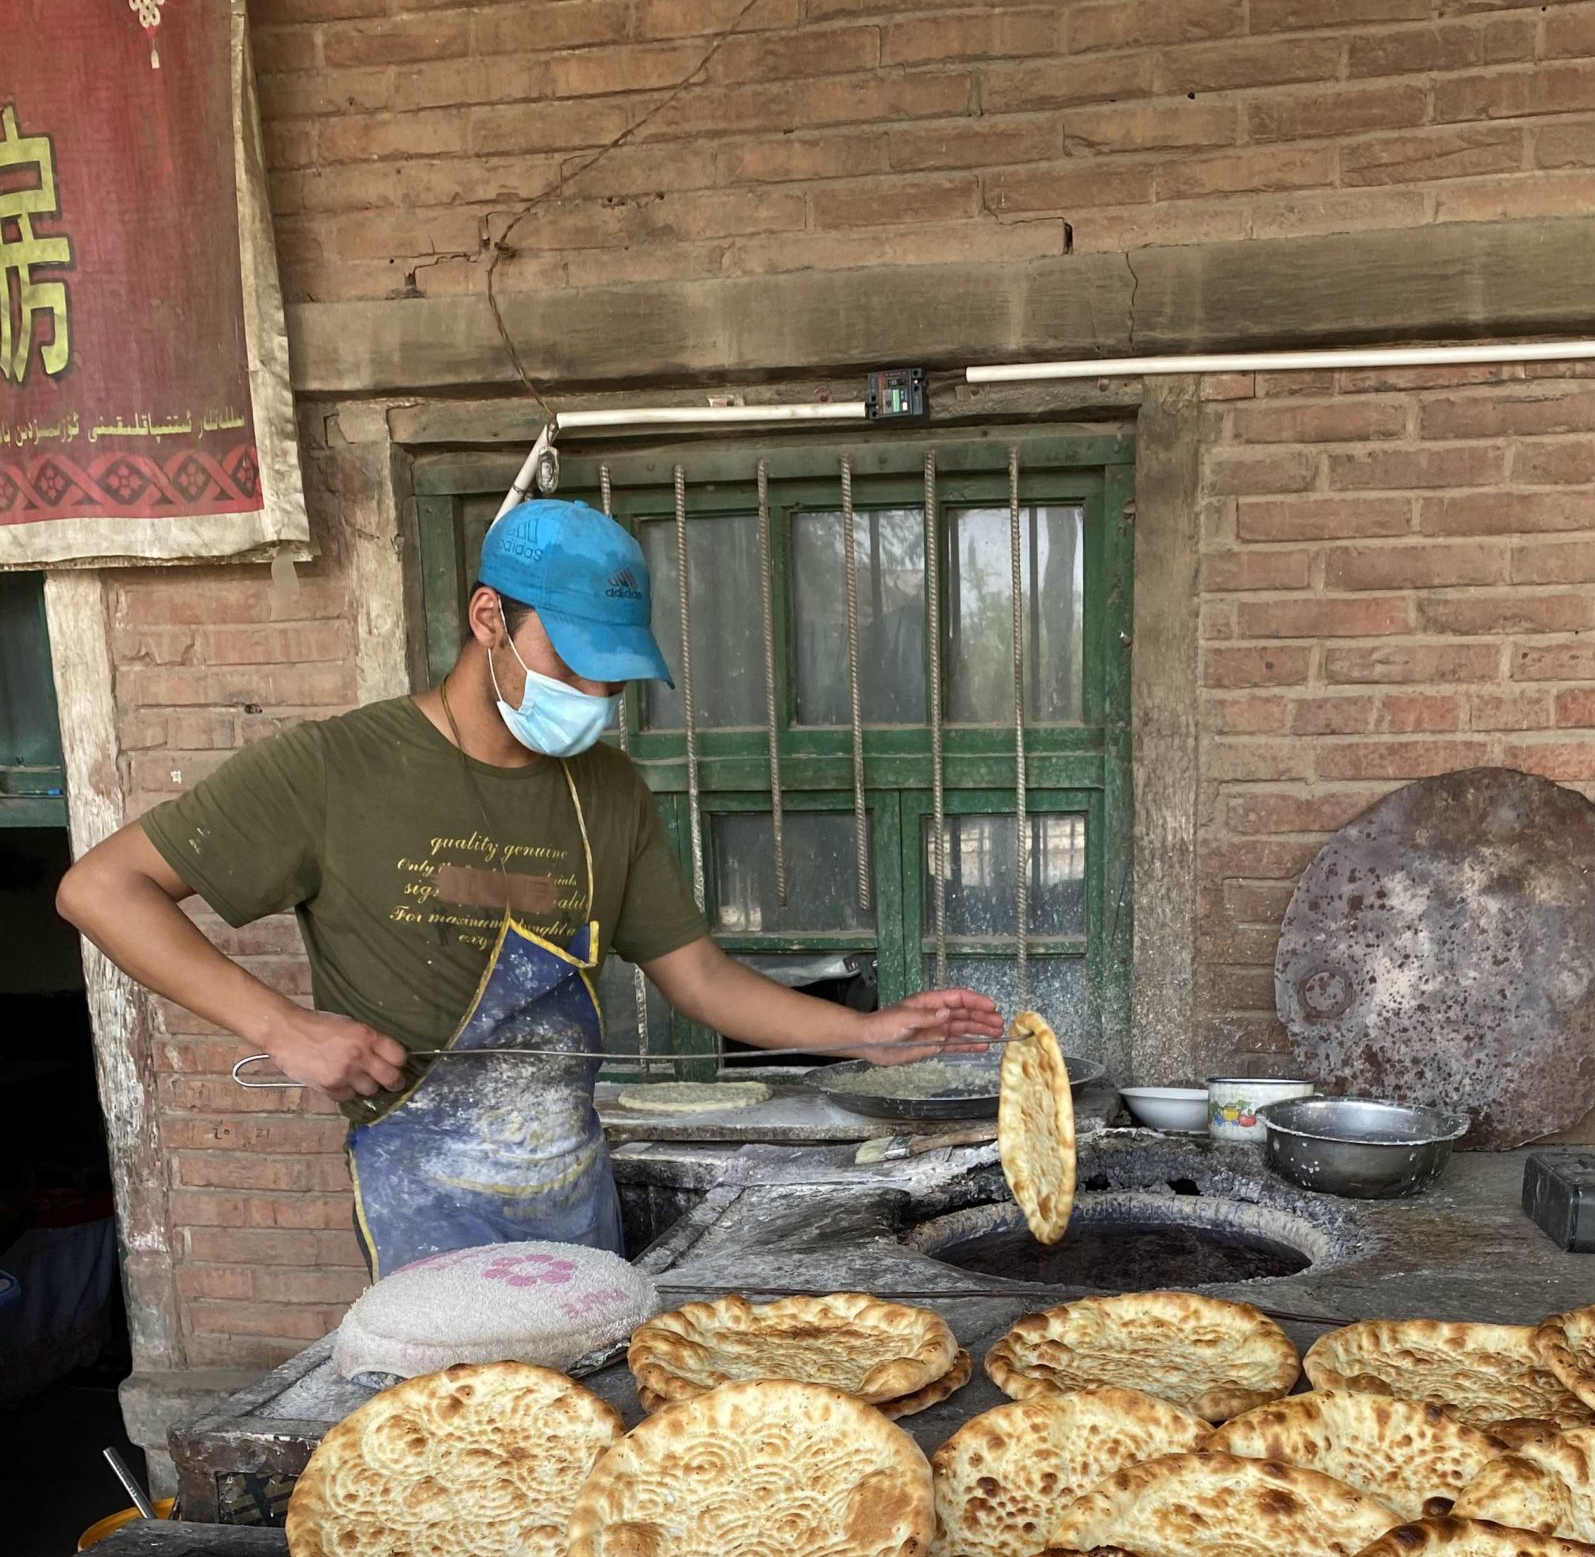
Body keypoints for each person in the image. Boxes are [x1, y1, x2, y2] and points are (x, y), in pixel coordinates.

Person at [59, 499, 1003, 1275]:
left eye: (614, 681)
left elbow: (700, 980)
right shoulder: (334, 769)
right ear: (487, 620)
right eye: (574, 666)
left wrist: (863, 1037)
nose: (593, 701)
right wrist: (281, 1027)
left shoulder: (609, 793)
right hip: (425, 1204)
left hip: (573, 1193)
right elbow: (102, 889)